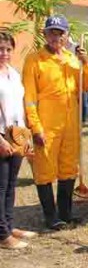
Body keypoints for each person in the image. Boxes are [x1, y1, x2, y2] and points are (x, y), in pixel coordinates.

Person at [23, 15, 88, 230]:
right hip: (47, 125)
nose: (56, 37)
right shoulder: (34, 60)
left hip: (70, 125)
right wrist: (35, 126)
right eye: (52, 32)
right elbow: (30, 97)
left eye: (60, 33)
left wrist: (86, 64)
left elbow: (85, 86)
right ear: (45, 34)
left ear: (66, 36)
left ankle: (65, 213)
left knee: (68, 168)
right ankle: (50, 216)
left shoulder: (72, 60)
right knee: (44, 170)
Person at [0, 30, 36, 249]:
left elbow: (18, 107)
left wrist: (25, 135)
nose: (4, 53)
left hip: (16, 134)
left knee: (11, 184)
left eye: (8, 49)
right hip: (2, 136)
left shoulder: (13, 73)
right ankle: (2, 234)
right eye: (0, 49)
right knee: (0, 186)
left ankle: (9, 225)